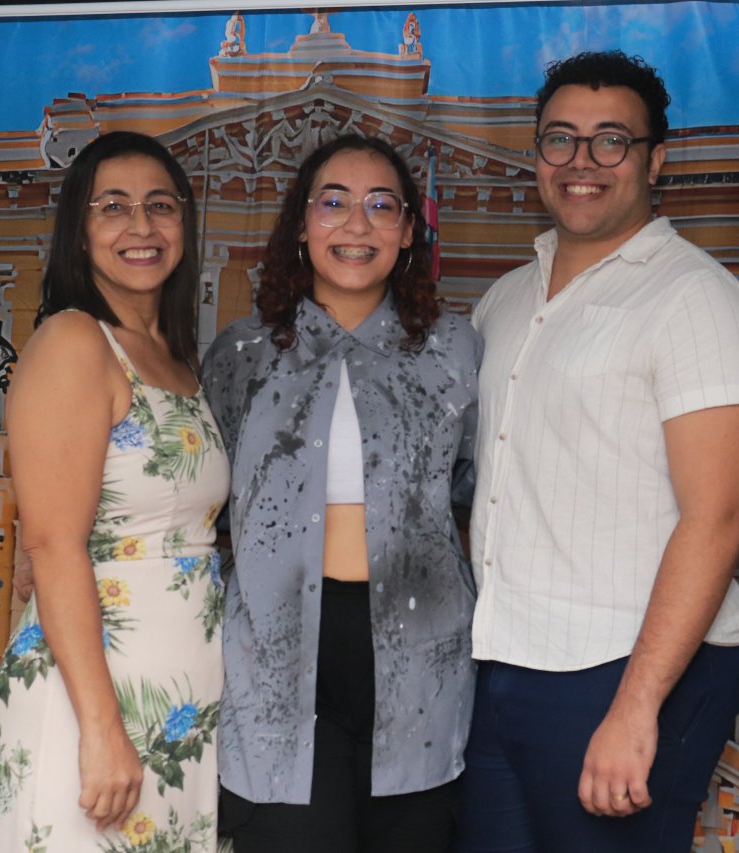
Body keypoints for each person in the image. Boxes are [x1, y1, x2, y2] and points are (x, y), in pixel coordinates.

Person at [456, 51, 739, 853]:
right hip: (503, 661)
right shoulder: (506, 299)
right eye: (560, 139)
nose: (581, 162)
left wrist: (636, 707)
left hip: (626, 672)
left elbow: (720, 513)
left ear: (655, 160)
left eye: (610, 140)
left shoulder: (698, 299)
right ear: (537, 153)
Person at [201, 134, 480, 853]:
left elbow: (480, 485)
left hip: (423, 664)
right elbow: (201, 496)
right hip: (277, 666)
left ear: (409, 230)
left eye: (381, 206)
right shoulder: (241, 355)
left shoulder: (456, 350)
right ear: (301, 223)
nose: (357, 224)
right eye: (334, 203)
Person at [0, 131, 229, 852]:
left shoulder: (176, 359)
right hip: (94, 699)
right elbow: (53, 543)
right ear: (79, 232)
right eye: (112, 207)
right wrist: (100, 727)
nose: (141, 226)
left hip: (176, 700)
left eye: (160, 205)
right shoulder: (74, 340)